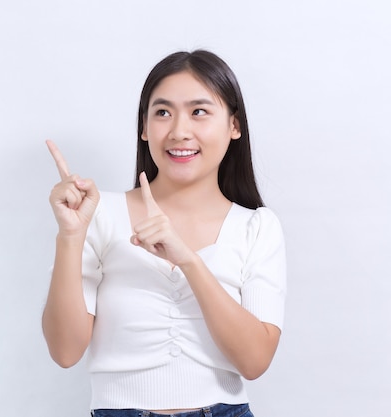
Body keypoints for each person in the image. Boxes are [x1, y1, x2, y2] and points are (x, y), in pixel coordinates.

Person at [42, 50, 287, 417]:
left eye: (199, 111)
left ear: (234, 125)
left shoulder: (256, 227)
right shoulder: (98, 213)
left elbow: (255, 361)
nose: (179, 131)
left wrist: (188, 260)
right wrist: (70, 237)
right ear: (144, 127)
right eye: (162, 112)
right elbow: (65, 352)